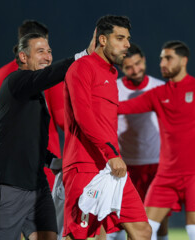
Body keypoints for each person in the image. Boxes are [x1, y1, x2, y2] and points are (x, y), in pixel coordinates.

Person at [0, 32, 94, 240]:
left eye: (49, 51)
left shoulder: (34, 94)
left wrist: (51, 161)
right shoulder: (16, 81)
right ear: (24, 57)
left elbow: (28, 140)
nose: (47, 57)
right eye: (40, 51)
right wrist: (83, 55)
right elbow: (47, 76)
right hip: (6, 184)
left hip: (36, 185)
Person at [118, 40, 195, 240]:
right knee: (144, 231)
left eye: (168, 58)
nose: (162, 63)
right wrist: (88, 101)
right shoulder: (158, 94)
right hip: (165, 176)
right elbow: (121, 108)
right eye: (161, 59)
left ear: (184, 60)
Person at [62, 15, 151, 240]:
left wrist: (112, 157)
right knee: (78, 235)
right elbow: (84, 118)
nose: (127, 45)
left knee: (142, 230)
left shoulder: (111, 74)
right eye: (120, 38)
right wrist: (111, 153)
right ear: (102, 39)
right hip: (85, 165)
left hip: (112, 168)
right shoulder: (81, 68)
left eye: (128, 39)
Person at [106, 43, 167, 240]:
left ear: (144, 60)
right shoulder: (114, 89)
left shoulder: (160, 87)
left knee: (159, 223)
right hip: (126, 165)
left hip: (157, 163)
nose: (135, 70)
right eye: (129, 67)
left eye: (138, 64)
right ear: (122, 69)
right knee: (120, 223)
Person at [0, 20, 56, 190]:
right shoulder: (49, 76)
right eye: (42, 47)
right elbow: (65, 120)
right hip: (45, 168)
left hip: (7, 171)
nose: (46, 53)